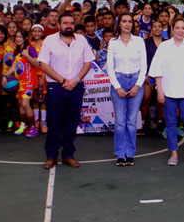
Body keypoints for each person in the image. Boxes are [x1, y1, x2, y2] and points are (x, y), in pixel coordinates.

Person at [37, 13, 95, 169]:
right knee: (54, 123)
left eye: (71, 23)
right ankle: (51, 156)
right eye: (65, 23)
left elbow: (88, 62)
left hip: (76, 87)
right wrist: (62, 81)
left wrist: (76, 80)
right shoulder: (49, 40)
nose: (68, 25)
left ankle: (69, 155)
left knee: (72, 123)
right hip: (55, 87)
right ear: (59, 25)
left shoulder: (81, 40)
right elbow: (43, 64)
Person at [148, 17, 184, 167]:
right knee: (171, 123)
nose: (181, 31)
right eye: (178, 28)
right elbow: (157, 70)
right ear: (172, 29)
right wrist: (160, 91)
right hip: (168, 92)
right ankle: (173, 153)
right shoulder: (164, 47)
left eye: (183, 28)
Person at [106, 13, 147, 166]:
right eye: (124, 21)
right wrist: (117, 87)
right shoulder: (113, 42)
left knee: (131, 121)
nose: (127, 24)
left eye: (130, 21)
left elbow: (144, 66)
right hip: (119, 81)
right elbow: (110, 66)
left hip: (136, 81)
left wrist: (137, 85)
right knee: (120, 122)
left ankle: (130, 153)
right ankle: (119, 154)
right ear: (119, 24)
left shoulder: (139, 41)